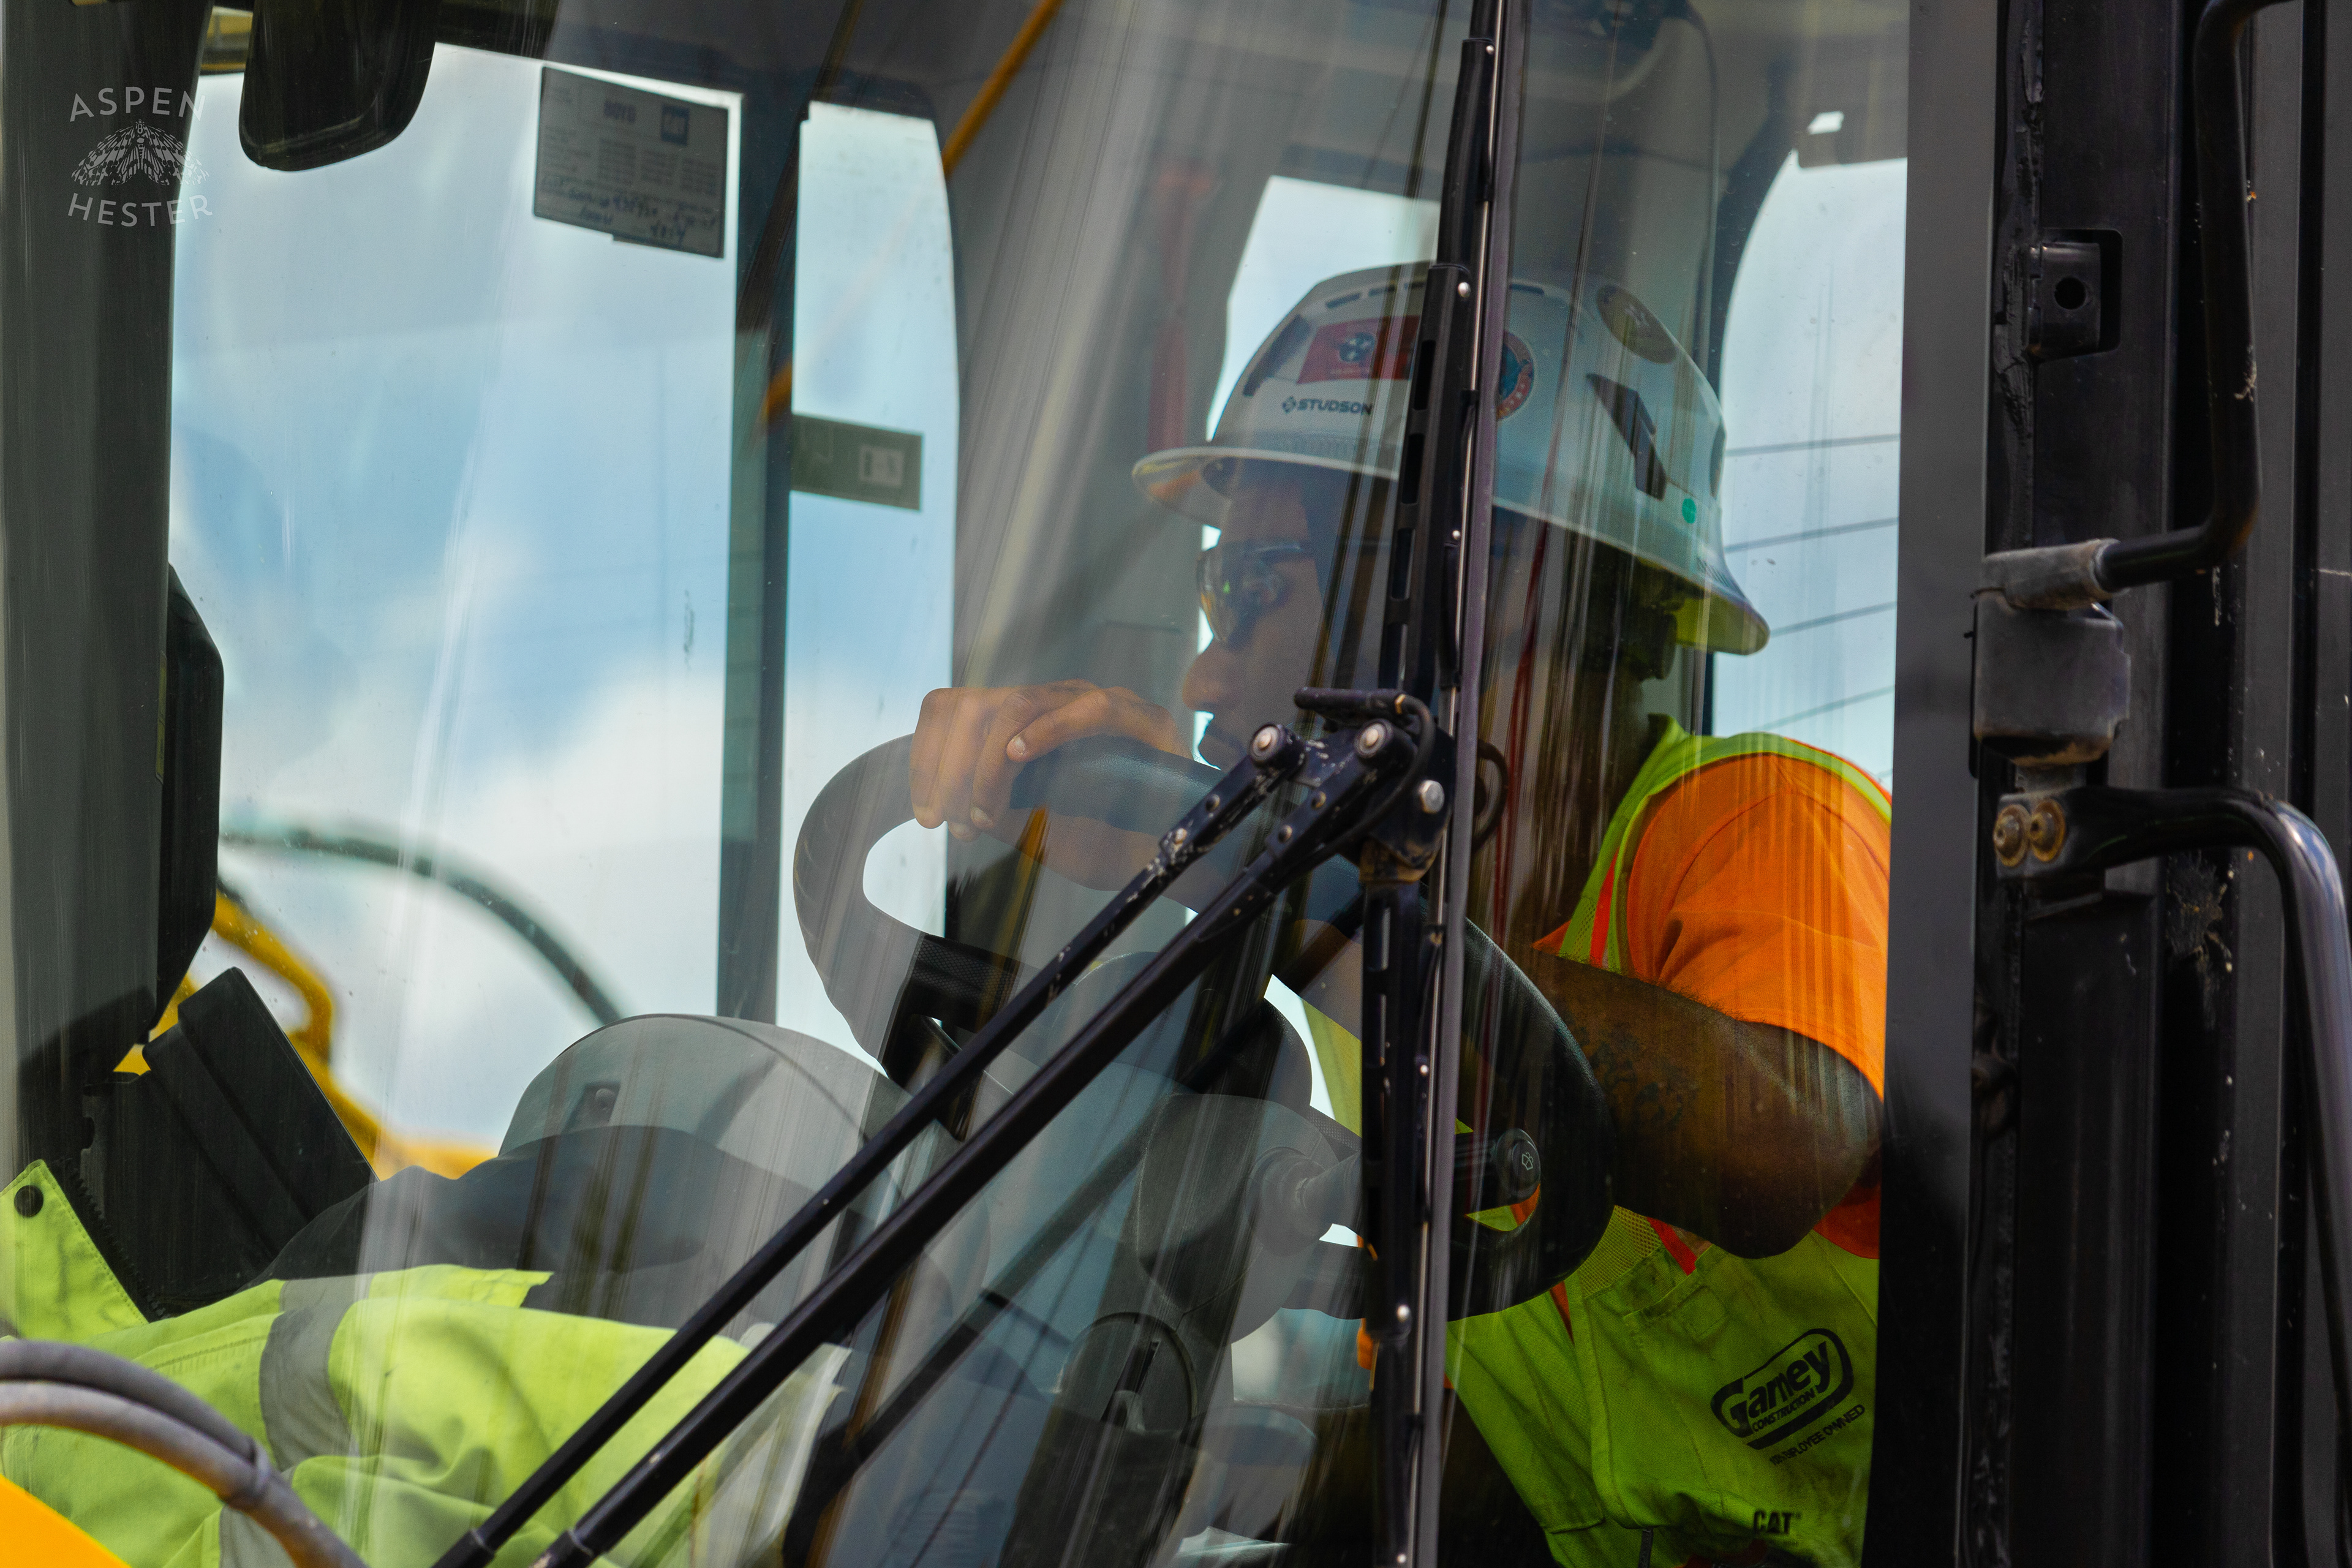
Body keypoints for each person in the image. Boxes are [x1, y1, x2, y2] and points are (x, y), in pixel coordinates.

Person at [909, 264, 1890, 1568]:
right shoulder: (1391, 958)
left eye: (1253, 587)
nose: (1205, 669)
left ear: (1470, 608)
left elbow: (1773, 1144)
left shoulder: (1757, 825)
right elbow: (1459, 1454)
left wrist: (1257, 855)